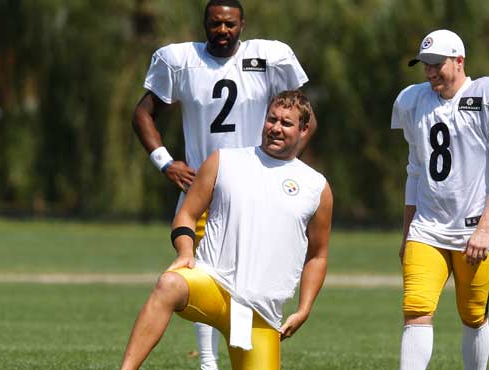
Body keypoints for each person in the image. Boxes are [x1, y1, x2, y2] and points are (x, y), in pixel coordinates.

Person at [132, 1, 315, 368]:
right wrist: (166, 163)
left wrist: (287, 169)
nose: (222, 31)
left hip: (257, 188)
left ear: (242, 24)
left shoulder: (269, 57)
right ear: (204, 24)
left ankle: (241, 347)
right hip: (206, 184)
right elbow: (143, 113)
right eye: (215, 24)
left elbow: (304, 116)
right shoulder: (181, 60)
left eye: (229, 24)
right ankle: (207, 362)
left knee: (248, 278)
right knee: (199, 270)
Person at [120, 90, 333, 370]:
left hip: (260, 311)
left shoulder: (316, 186)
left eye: (286, 123)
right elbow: (187, 213)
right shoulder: (225, 161)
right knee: (168, 284)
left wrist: (304, 309)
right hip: (213, 284)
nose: (276, 128)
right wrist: (185, 251)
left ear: (304, 129)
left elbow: (317, 256)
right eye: (272, 119)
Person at [392, 29, 489, 370]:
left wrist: (484, 228)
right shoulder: (414, 101)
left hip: (474, 229)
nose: (429, 72)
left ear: (459, 60)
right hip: (427, 226)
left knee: (472, 314)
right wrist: (407, 231)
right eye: (425, 64)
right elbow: (415, 171)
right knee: (416, 307)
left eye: (437, 63)